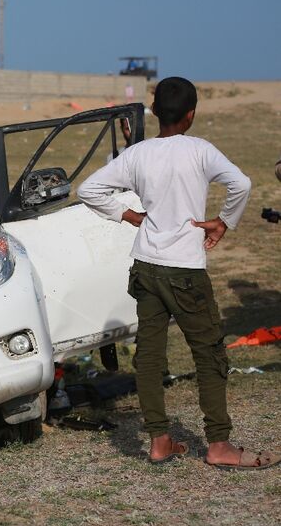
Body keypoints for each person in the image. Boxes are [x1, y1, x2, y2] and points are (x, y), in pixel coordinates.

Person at [77, 77, 277, 470]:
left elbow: (89, 189)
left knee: (150, 356)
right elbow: (242, 183)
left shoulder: (138, 155)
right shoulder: (200, 150)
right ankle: (219, 444)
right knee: (209, 354)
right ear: (192, 115)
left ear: (153, 113)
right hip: (186, 271)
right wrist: (223, 222)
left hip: (146, 268)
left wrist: (130, 215)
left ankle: (159, 440)